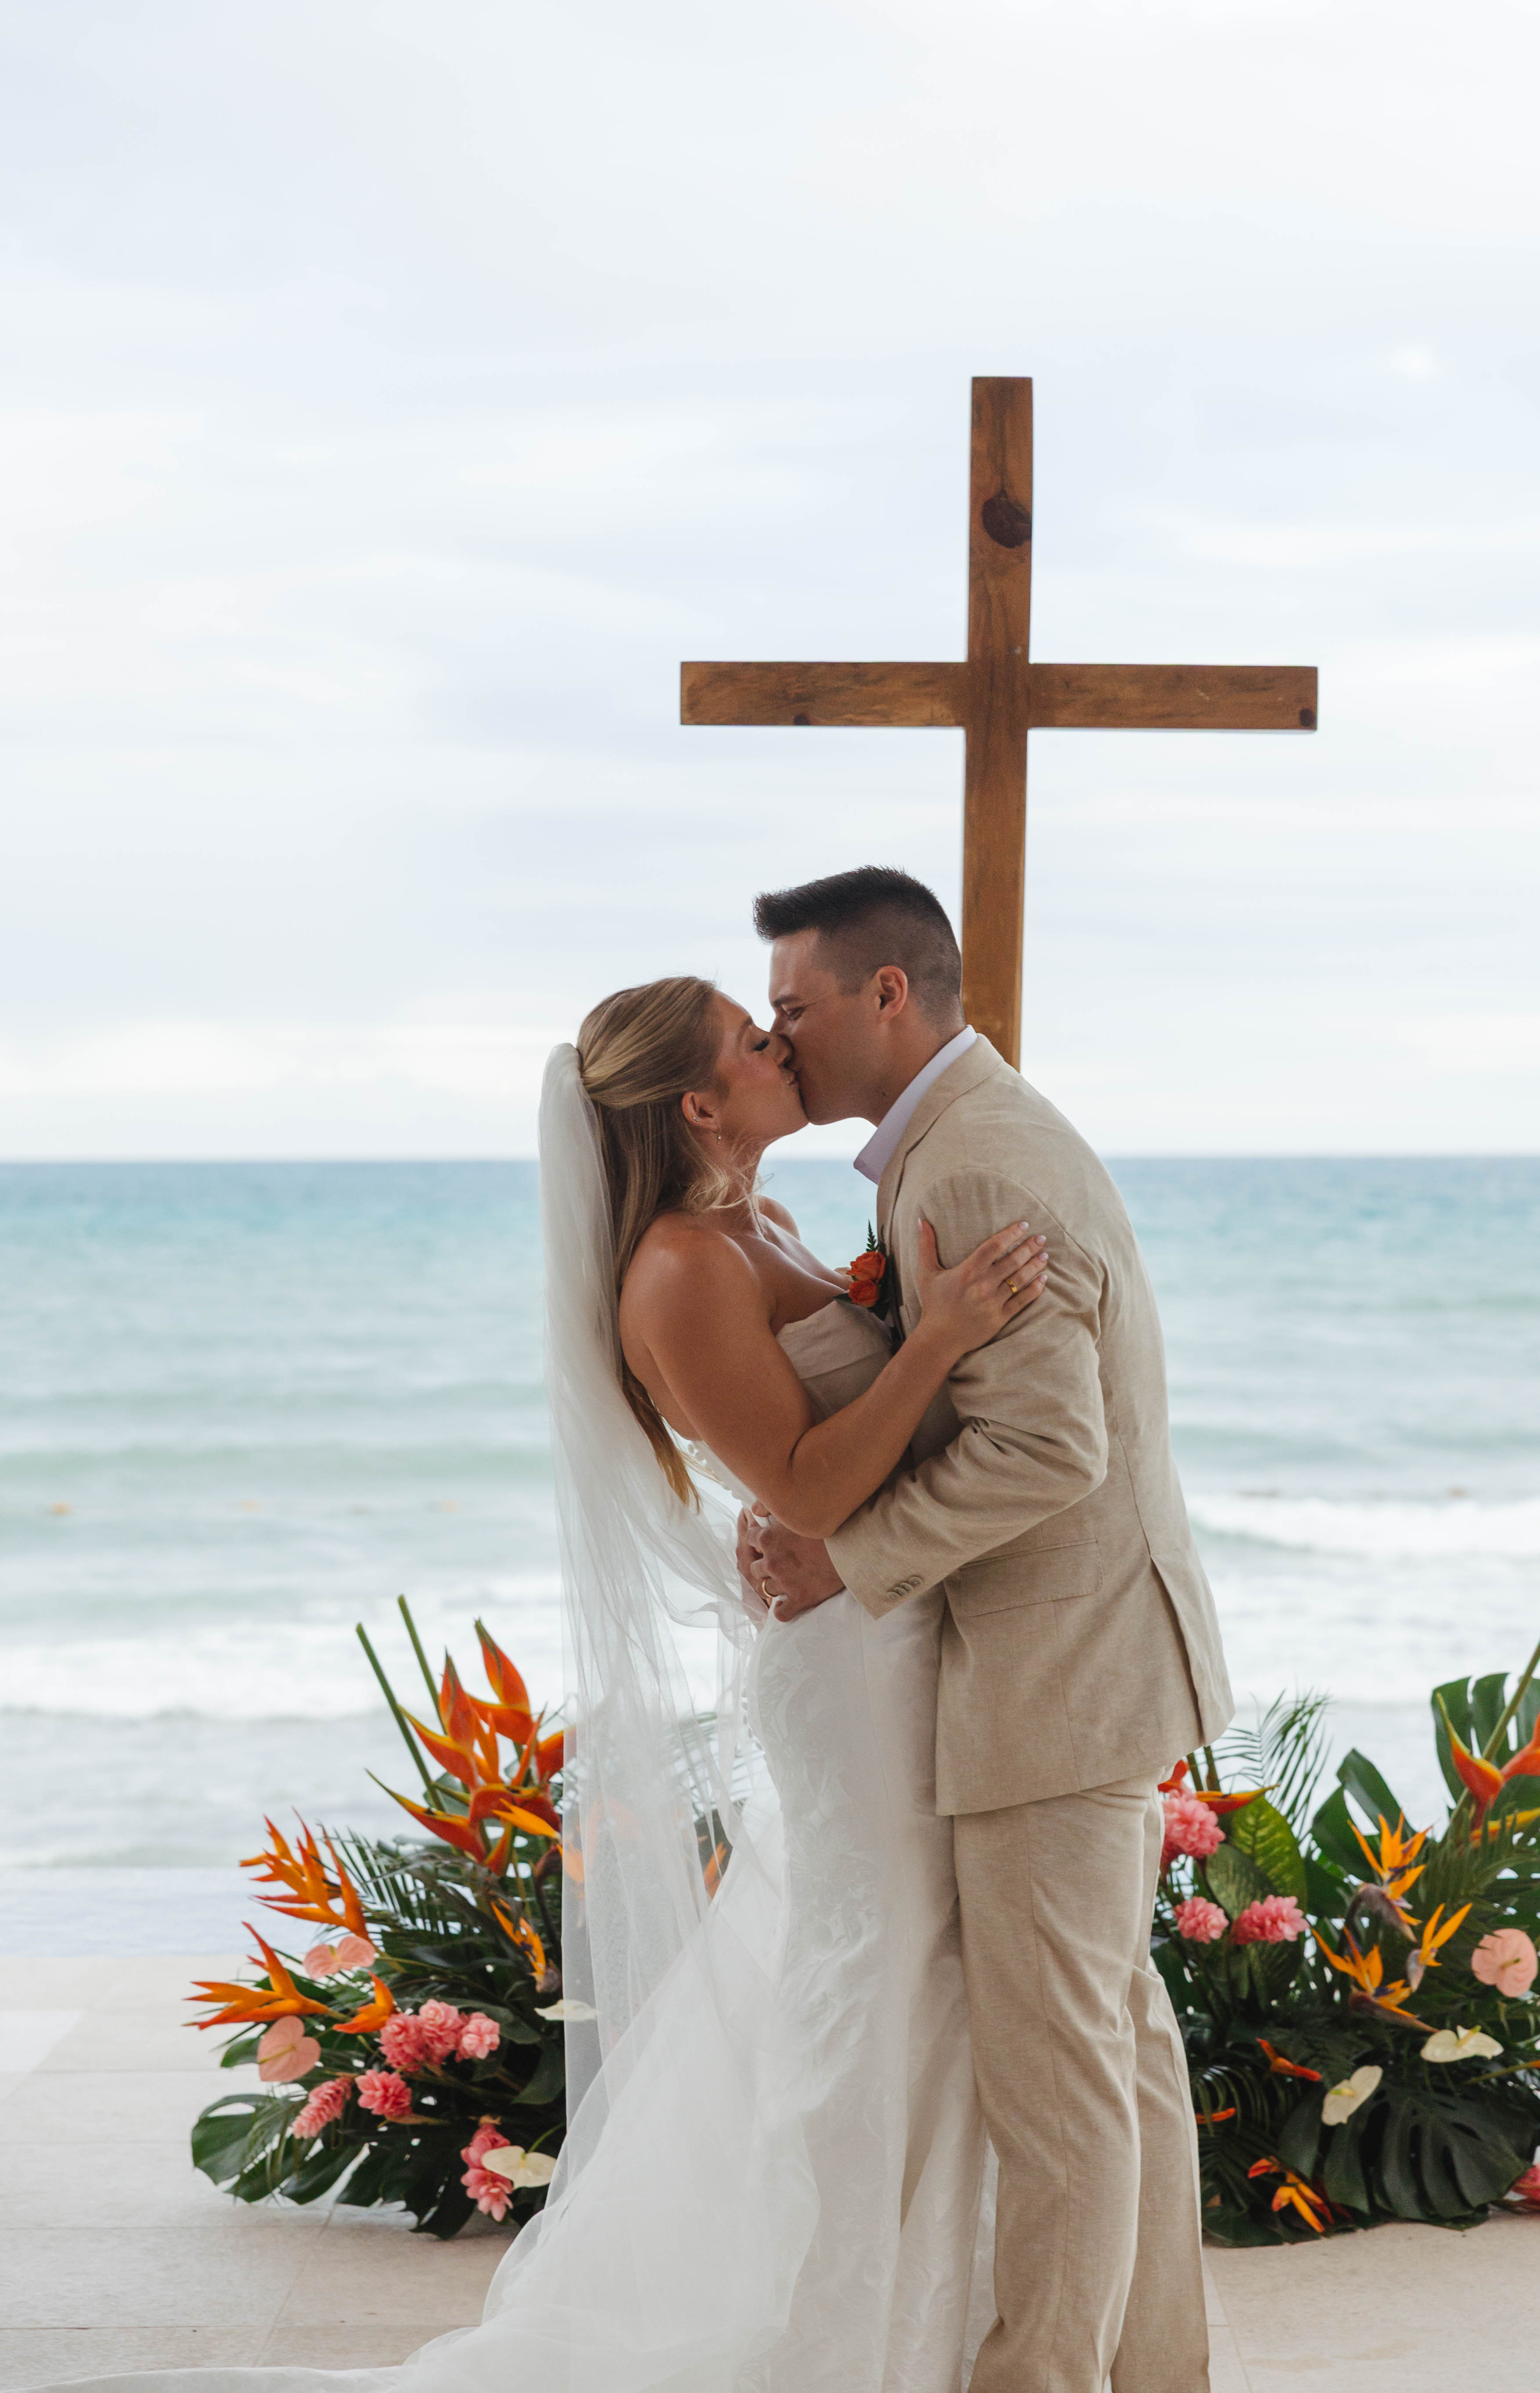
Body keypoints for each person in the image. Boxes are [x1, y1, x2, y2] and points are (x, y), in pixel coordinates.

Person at [33, 965, 1043, 2393]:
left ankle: (938, 2314)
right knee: (871, 1971)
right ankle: (833, 2333)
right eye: (757, 1042)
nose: (782, 1049)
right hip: (844, 1672)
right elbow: (803, 1477)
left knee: (910, 1970)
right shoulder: (679, 1269)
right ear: (701, 1099)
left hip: (894, 1638)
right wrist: (936, 1332)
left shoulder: (764, 1220)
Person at [739, 867, 1232, 2393]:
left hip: (1054, 1679)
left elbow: (1045, 1449)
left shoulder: (979, 1166)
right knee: (1117, 2059)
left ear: (888, 994)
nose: (779, 1037)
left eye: (793, 1007)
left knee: (1061, 2089)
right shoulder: (951, 1146)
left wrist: (845, 1557)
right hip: (1082, 1662)